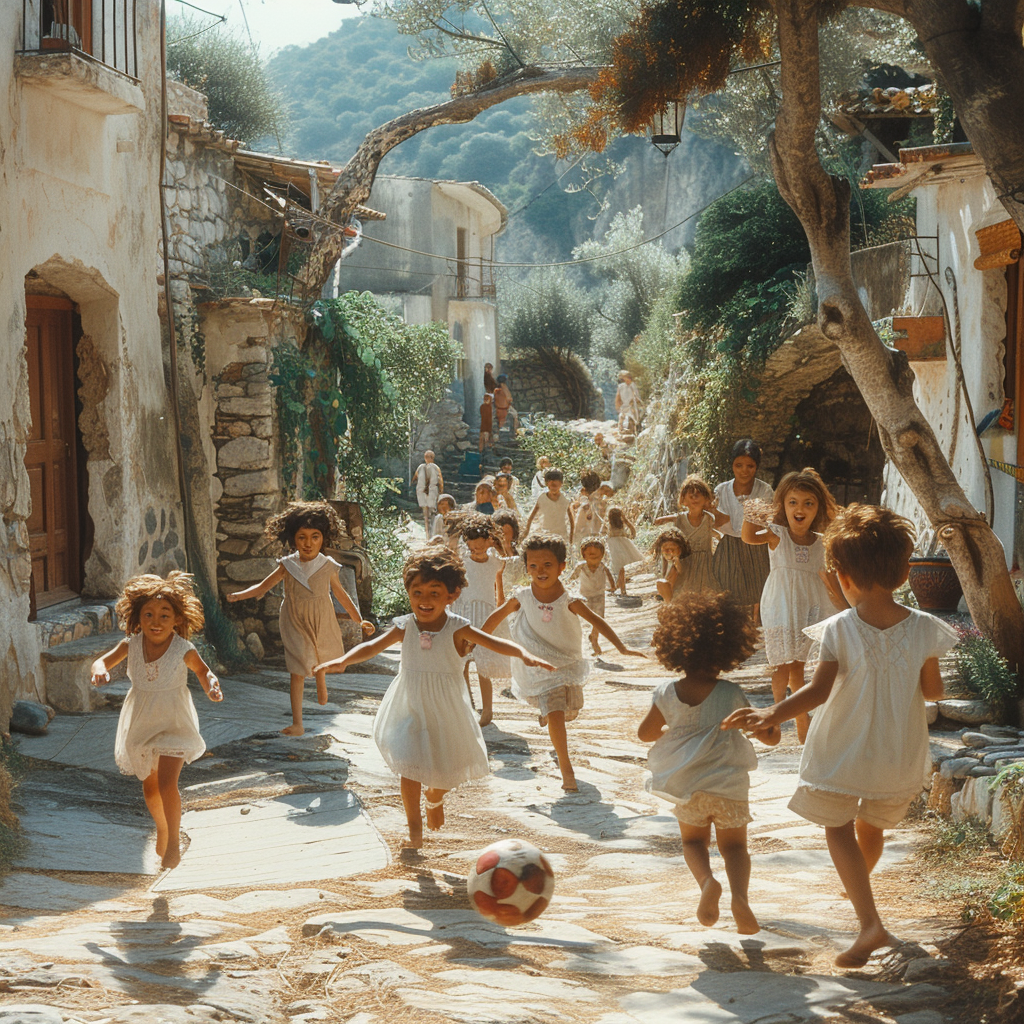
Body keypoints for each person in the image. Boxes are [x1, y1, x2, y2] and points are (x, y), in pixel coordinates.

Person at [723, 504, 957, 967]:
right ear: (905, 571)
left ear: (842, 576)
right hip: (897, 752)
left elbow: (817, 691)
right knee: (871, 826)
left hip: (844, 748)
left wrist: (771, 712)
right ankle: (861, 900)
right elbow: (933, 692)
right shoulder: (927, 628)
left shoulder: (837, 629)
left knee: (837, 826)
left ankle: (869, 921)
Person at [315, 546, 554, 846]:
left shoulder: (458, 628)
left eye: (434, 593)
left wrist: (523, 653)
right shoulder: (405, 626)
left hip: (446, 710)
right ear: (408, 593)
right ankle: (414, 828)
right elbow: (371, 647)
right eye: (417, 593)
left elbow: (493, 642)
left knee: (447, 772)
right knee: (409, 763)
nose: (424, 601)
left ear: (451, 595)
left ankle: (435, 797)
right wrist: (343, 660)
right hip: (409, 705)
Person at [639, 592, 779, 934]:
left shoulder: (666, 692)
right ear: (727, 651)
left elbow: (645, 733)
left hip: (689, 788)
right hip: (729, 785)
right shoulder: (730, 693)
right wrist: (770, 724)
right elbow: (769, 736)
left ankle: (706, 883)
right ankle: (741, 899)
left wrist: (674, 726)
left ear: (676, 648)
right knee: (735, 847)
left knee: (693, 843)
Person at [483, 533, 647, 792]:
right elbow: (498, 614)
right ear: (526, 567)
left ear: (562, 566)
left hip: (565, 662)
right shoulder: (523, 596)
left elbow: (597, 621)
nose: (540, 571)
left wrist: (621, 647)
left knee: (567, 710)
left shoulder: (568, 600)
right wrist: (476, 639)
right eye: (533, 566)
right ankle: (567, 771)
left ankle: (549, 714)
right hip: (536, 664)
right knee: (557, 713)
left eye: (548, 565)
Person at [90, 572, 223, 869]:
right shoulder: (131, 645)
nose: (156, 621)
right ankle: (161, 828)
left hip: (175, 721)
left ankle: (173, 841)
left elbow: (203, 671)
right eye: (148, 614)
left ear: (177, 619)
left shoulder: (182, 649)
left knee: (166, 785)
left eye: (165, 615)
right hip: (142, 722)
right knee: (150, 789)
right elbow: (102, 661)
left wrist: (211, 686)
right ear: (138, 618)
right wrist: (100, 670)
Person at [227, 501, 374, 736]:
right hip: (294, 619)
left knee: (321, 654)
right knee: (297, 667)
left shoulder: (328, 566)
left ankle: (321, 676)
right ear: (293, 539)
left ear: (323, 539)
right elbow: (264, 586)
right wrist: (240, 595)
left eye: (314, 537)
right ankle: (298, 723)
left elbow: (341, 595)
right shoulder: (287, 565)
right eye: (302, 537)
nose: (308, 543)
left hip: (321, 617)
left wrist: (359, 620)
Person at [742, 468, 842, 743]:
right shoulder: (777, 535)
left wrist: (846, 609)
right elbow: (749, 537)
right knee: (780, 666)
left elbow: (830, 579)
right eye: (793, 502)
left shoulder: (822, 543)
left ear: (818, 508)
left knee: (798, 666)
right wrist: (751, 514)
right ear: (783, 506)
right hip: (780, 604)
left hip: (809, 606)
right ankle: (775, 718)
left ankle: (801, 719)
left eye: (808, 503)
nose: (800, 509)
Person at [450, 513, 509, 726]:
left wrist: (497, 543)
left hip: (485, 616)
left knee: (483, 665)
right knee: (463, 662)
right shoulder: (462, 560)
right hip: (464, 613)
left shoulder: (495, 562)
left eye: (480, 547)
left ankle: (488, 709)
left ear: (489, 542)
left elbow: (502, 578)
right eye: (473, 548)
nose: (476, 551)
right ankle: (468, 704)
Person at [711, 439, 774, 620]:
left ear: (757, 467)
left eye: (750, 466)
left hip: (756, 546)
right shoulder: (721, 491)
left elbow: (763, 520)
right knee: (728, 586)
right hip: (729, 547)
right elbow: (716, 521)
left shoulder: (764, 490)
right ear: (732, 465)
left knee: (758, 586)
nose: (744, 471)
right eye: (739, 465)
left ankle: (758, 622)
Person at [654, 475, 721, 594]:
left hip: (705, 564)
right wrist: (665, 519)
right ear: (684, 501)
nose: (694, 498)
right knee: (684, 592)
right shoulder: (680, 519)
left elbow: (717, 532)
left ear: (706, 499)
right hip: (685, 562)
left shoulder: (709, 518)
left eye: (698, 495)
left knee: (706, 593)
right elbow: (660, 521)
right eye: (691, 496)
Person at [568, 539, 616, 655]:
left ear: (602, 556)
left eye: (597, 555)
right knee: (585, 618)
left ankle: (594, 638)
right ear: (584, 555)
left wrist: (613, 586)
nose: (594, 557)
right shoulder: (581, 567)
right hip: (584, 597)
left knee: (599, 619)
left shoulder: (602, 567)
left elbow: (609, 576)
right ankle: (577, 642)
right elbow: (571, 578)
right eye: (590, 554)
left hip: (599, 595)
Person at [524, 467, 575, 544]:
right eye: (551, 486)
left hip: (561, 535)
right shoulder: (542, 498)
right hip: (546, 534)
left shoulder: (565, 500)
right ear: (547, 484)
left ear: (561, 484)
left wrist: (571, 539)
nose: (553, 488)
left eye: (556, 486)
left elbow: (571, 520)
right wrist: (526, 532)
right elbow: (531, 517)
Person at [603, 505, 643, 598]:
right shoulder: (618, 522)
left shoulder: (609, 524)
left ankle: (619, 584)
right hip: (623, 543)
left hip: (615, 545)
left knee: (617, 564)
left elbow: (603, 533)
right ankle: (621, 583)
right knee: (623, 563)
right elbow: (632, 529)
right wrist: (631, 536)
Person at [653, 528, 693, 604]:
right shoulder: (665, 562)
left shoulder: (680, 562)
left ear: (680, 549)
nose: (670, 552)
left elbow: (681, 571)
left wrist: (677, 562)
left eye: (673, 549)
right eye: (666, 549)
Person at [412, 451, 444, 535]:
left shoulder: (428, 467)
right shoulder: (425, 467)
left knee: (429, 514)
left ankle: (430, 533)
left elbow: (415, 478)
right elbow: (440, 481)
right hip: (427, 493)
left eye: (427, 457)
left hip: (429, 492)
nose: (426, 458)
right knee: (428, 514)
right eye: (426, 456)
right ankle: (429, 534)